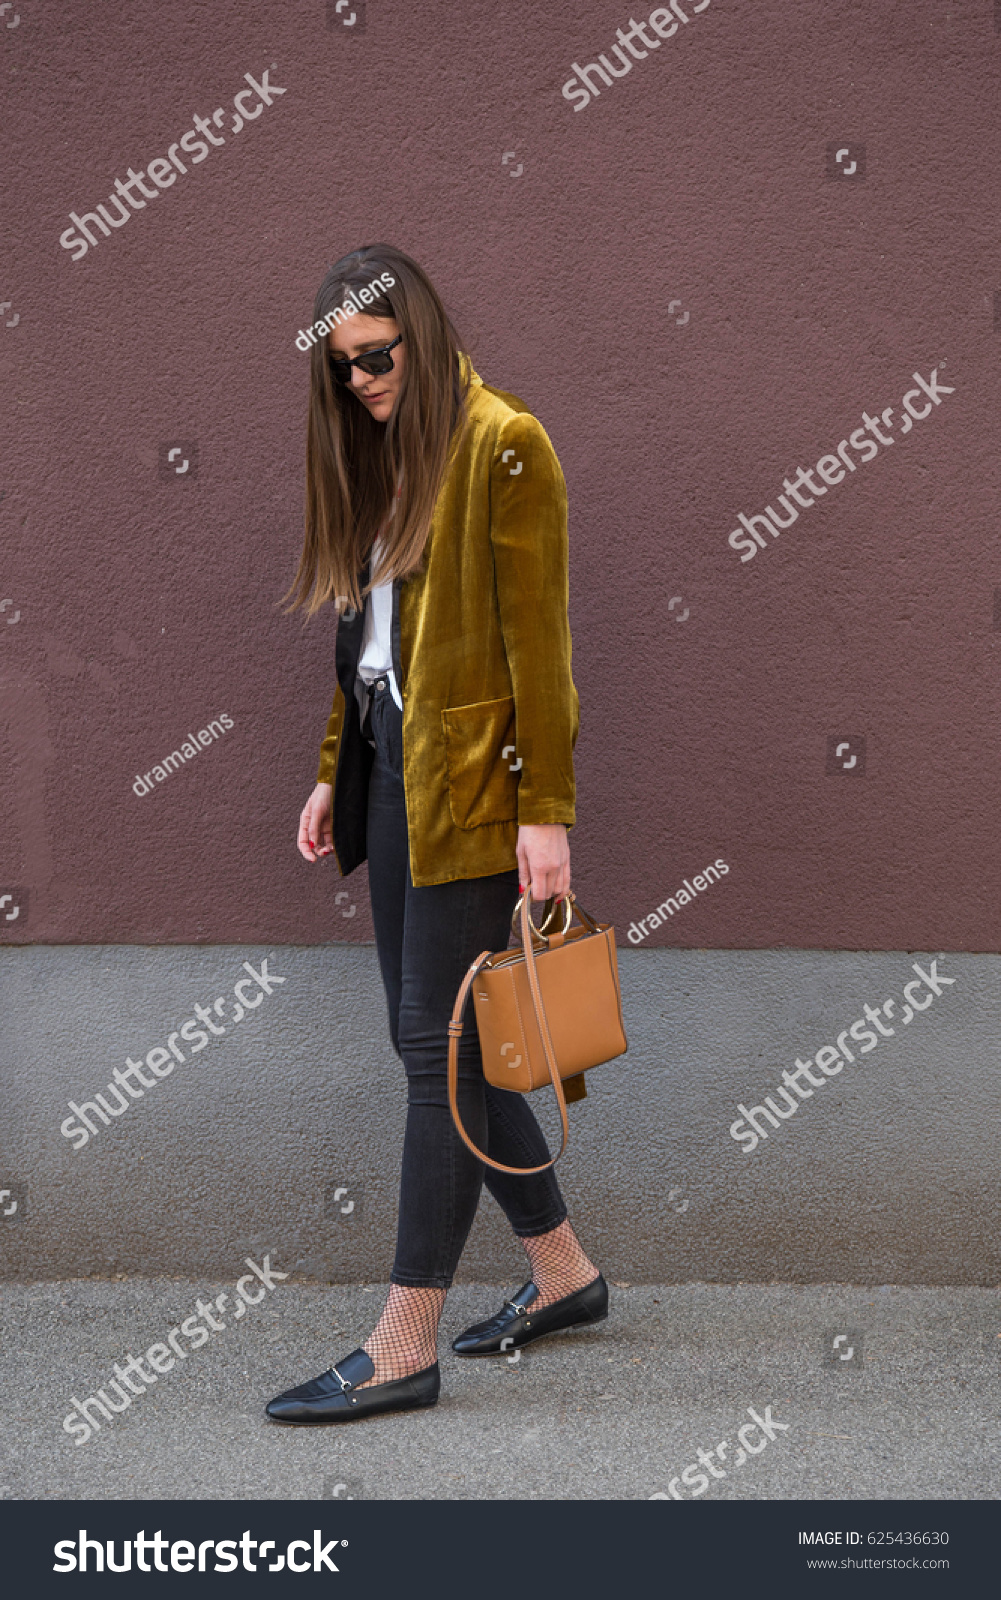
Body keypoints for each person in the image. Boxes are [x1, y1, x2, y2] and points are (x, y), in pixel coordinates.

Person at [265, 244, 607, 1426]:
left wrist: (545, 812)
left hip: (472, 791)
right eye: (339, 367)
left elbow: (538, 650)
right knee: (451, 1045)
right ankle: (562, 1270)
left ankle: (401, 1338)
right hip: (392, 777)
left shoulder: (504, 442)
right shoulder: (387, 454)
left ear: (417, 328)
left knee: (434, 1045)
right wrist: (331, 774)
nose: (358, 381)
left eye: (373, 356)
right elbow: (367, 645)